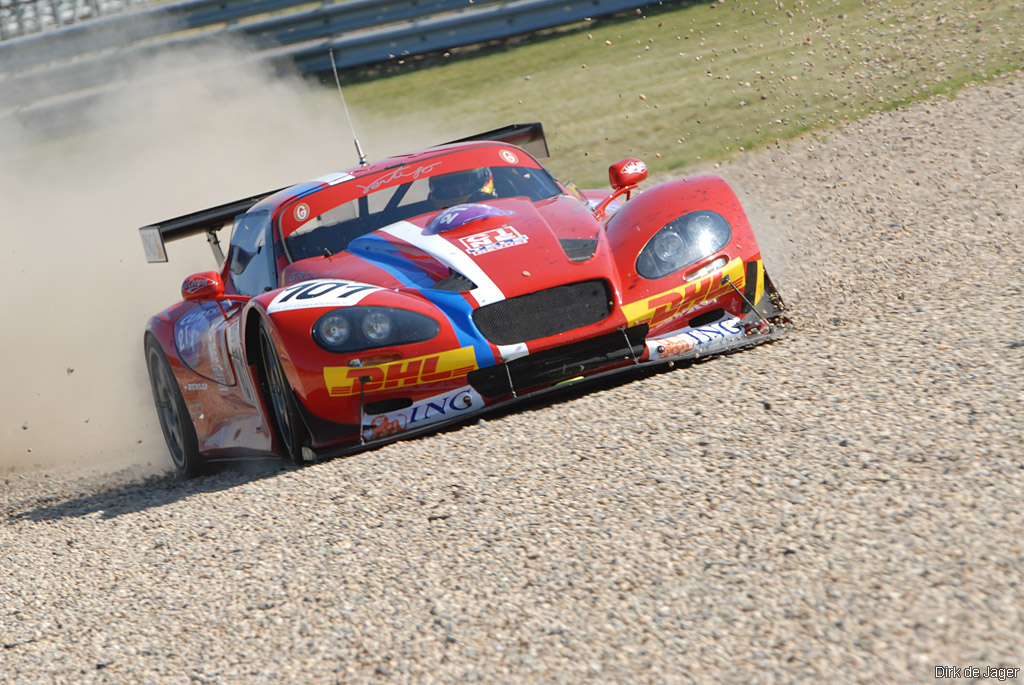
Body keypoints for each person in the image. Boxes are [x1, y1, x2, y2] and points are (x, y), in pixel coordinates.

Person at [428, 168, 497, 208]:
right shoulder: (422, 213)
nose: (459, 191)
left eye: (465, 185)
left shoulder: (501, 203)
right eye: (449, 184)